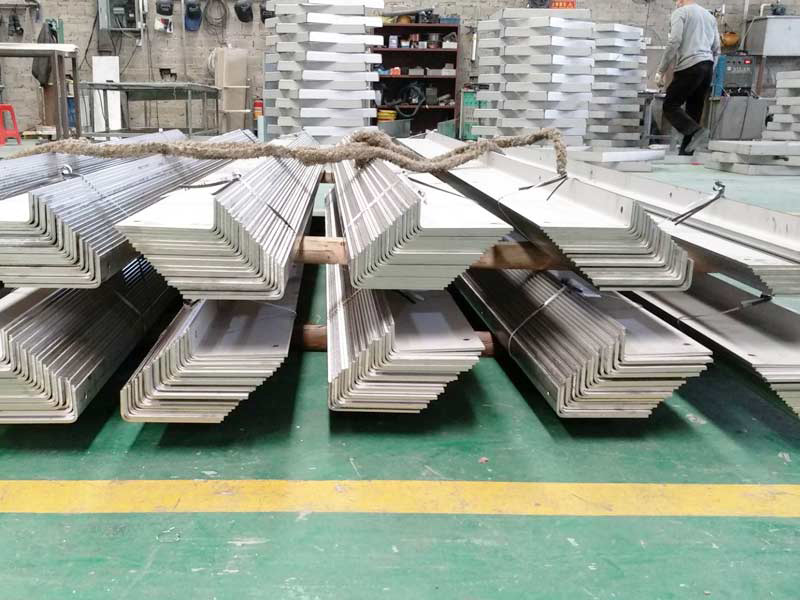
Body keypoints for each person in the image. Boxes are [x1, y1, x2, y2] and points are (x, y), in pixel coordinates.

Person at [655, 0, 721, 155]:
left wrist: (661, 70)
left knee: (670, 105)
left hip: (690, 66)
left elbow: (674, 41)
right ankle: (686, 153)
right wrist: (708, 70)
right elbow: (717, 49)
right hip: (708, 66)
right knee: (693, 111)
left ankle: (697, 132)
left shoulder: (680, 13)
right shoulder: (710, 17)